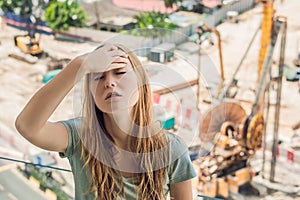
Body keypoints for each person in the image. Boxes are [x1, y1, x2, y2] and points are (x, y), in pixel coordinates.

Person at [15, 43, 197, 200]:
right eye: (99, 76)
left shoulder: (172, 149)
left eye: (120, 73)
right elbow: (27, 126)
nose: (109, 82)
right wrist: (79, 65)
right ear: (91, 92)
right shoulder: (80, 137)